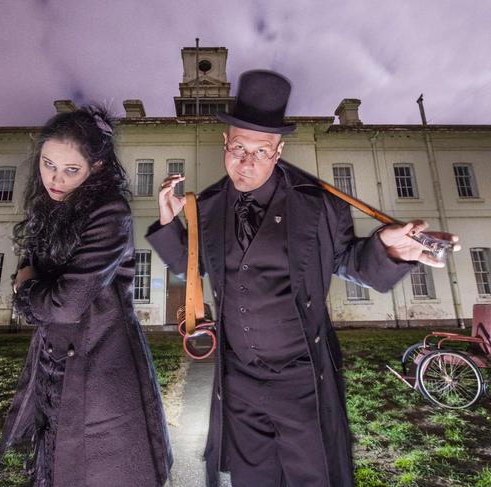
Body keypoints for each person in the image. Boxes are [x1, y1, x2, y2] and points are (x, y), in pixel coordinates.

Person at [146, 70, 459, 487]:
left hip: (302, 380)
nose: (247, 162)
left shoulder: (319, 206)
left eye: (261, 151)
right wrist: (171, 222)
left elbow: (348, 261)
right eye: (238, 147)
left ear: (278, 151)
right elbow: (194, 268)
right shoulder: (206, 207)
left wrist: (386, 250)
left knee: (313, 478)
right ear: (225, 143)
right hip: (238, 381)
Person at [0, 105, 172, 487]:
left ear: (98, 166)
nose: (55, 179)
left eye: (71, 170)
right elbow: (40, 282)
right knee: (57, 464)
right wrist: (35, 288)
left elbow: (66, 303)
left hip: (101, 365)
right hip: (53, 367)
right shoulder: (48, 208)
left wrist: (25, 288)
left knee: (99, 468)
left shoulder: (110, 212)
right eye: (47, 164)